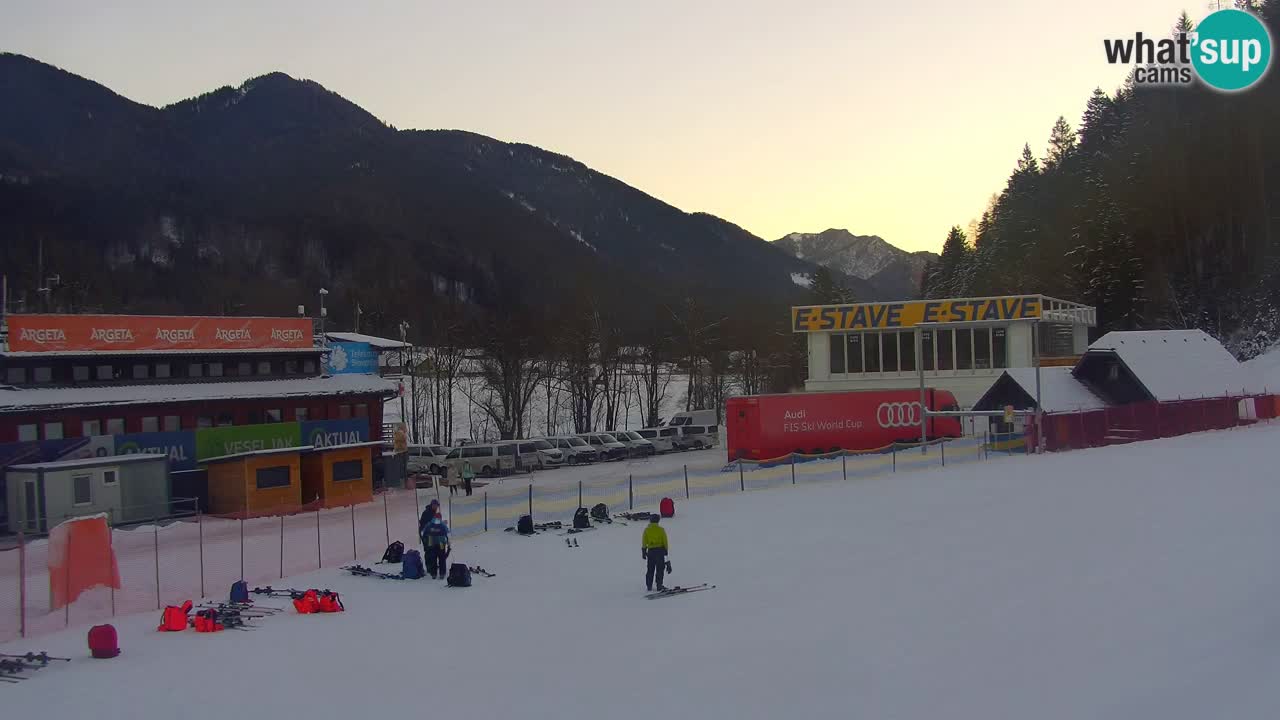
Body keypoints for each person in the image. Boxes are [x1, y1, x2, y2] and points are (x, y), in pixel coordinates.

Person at [641, 513, 670, 592]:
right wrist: (666, 550)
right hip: (660, 551)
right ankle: (659, 585)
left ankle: (649, 585)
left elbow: (644, 541)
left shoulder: (647, 530)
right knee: (660, 569)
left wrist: (644, 551)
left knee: (650, 569)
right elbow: (665, 541)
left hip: (651, 552)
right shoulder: (661, 530)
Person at [423, 513, 450, 579]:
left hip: (431, 542)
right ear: (440, 518)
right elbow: (448, 533)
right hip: (441, 542)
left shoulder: (429, 524)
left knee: (433, 558)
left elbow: (423, 532)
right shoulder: (442, 525)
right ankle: (442, 574)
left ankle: (433, 574)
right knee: (442, 558)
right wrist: (449, 543)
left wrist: (426, 542)